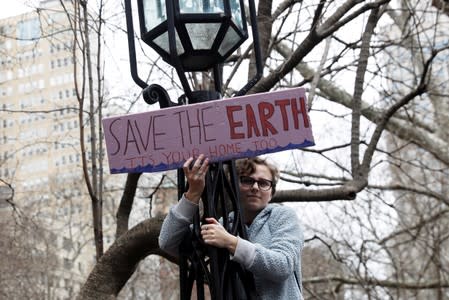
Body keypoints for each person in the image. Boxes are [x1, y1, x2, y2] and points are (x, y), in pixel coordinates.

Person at [159, 154, 304, 300]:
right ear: (234, 187)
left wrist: (231, 242)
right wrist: (193, 193)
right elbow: (168, 242)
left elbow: (283, 265)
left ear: (271, 192)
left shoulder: (282, 216)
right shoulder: (224, 224)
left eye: (264, 183)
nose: (255, 187)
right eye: (247, 181)